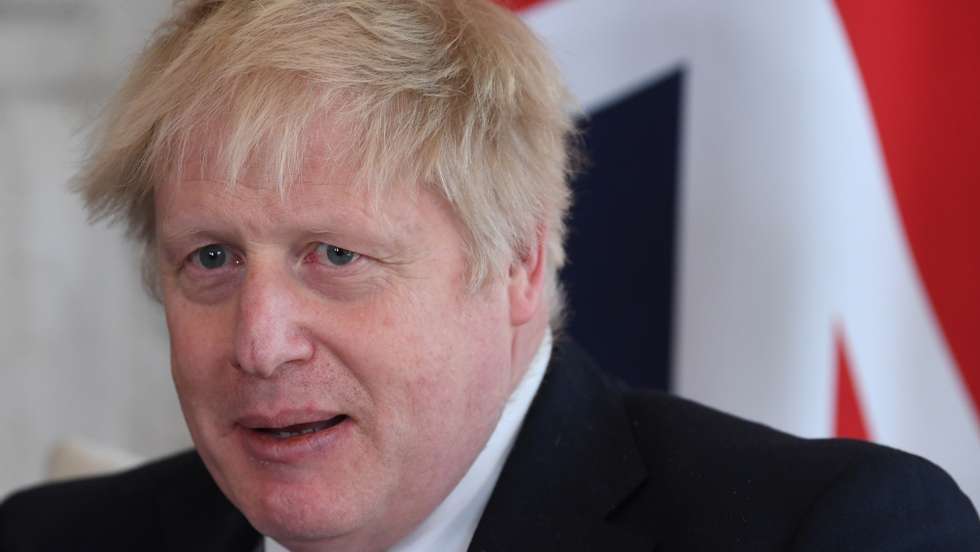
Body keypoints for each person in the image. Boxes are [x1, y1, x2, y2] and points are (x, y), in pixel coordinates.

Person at [1, 1, 977, 550]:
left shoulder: (828, 535)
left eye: (334, 256)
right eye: (209, 259)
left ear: (515, 262)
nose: (258, 343)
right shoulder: (52, 544)